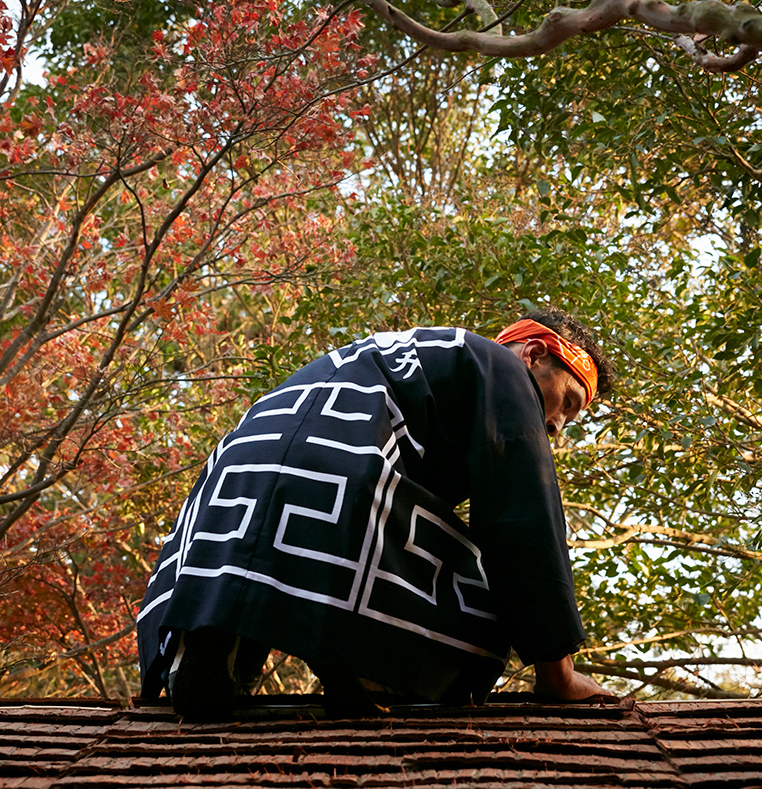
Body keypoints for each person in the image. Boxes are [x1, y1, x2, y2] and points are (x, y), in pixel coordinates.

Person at [137, 308, 615, 719]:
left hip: (237, 472)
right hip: (348, 472)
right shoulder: (502, 369)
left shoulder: (387, 352)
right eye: (566, 404)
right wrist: (558, 671)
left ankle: (210, 638)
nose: (557, 426)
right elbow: (523, 523)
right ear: (532, 354)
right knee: (478, 588)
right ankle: (372, 667)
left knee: (284, 520)